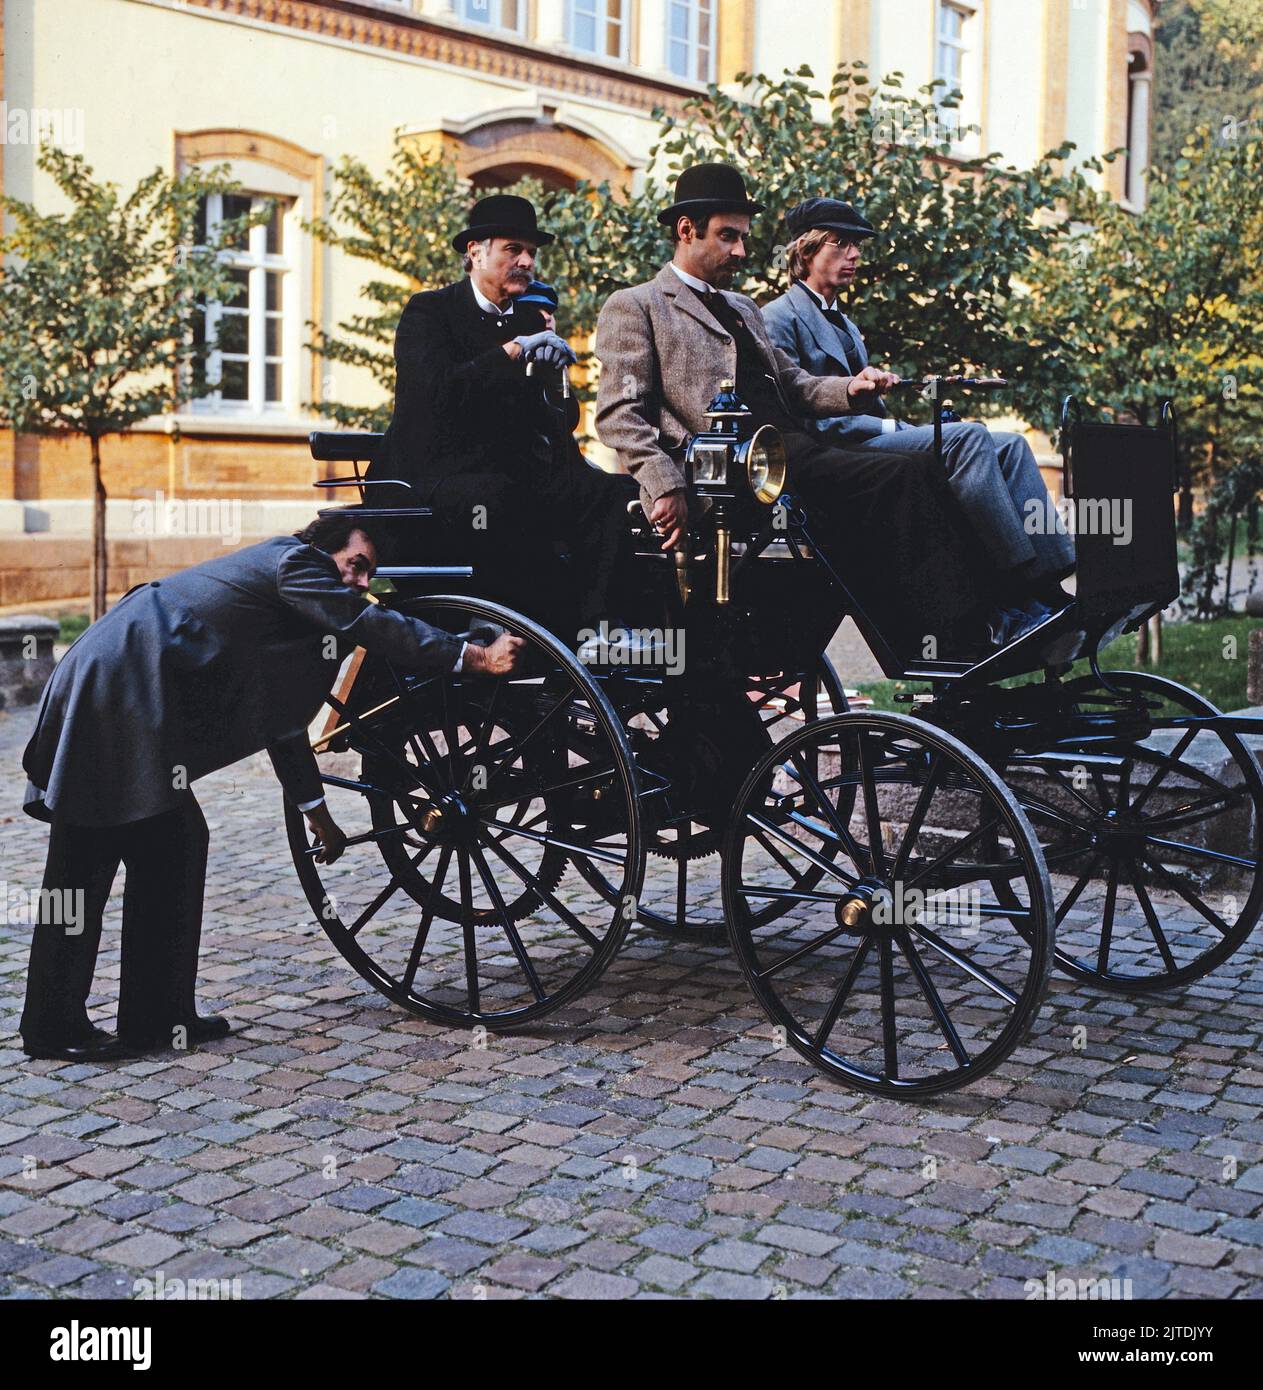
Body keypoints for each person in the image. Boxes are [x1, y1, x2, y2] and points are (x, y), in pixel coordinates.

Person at [18, 513, 523, 1063]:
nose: (361, 582)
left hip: (136, 694)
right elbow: (367, 623)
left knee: (175, 844)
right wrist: (473, 656)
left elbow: (281, 722)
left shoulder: (297, 615)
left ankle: (157, 1015)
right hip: (112, 687)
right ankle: (51, 1024)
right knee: (82, 862)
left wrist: (318, 813)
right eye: (356, 565)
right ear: (322, 549)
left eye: (369, 574)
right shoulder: (296, 563)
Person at [593, 162, 996, 654]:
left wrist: (852, 390)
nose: (741, 251)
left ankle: (979, 616)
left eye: (743, 237)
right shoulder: (637, 305)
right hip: (735, 473)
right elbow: (620, 414)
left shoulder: (741, 308)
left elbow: (797, 384)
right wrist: (664, 485)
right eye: (727, 237)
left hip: (790, 451)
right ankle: (954, 636)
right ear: (685, 230)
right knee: (900, 477)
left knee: (922, 464)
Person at [762, 197, 1075, 636]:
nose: (854, 255)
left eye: (857, 246)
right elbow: (803, 414)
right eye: (842, 244)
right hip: (839, 453)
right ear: (806, 251)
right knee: (968, 438)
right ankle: (1016, 582)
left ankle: (1051, 576)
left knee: (1010, 444)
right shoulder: (777, 318)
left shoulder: (847, 324)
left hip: (871, 439)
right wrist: (895, 427)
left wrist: (896, 422)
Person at [370, 194, 640, 652]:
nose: (527, 262)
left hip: (510, 472)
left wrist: (557, 380)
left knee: (615, 493)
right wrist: (513, 352)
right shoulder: (429, 312)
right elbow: (435, 396)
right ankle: (537, 626)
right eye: (513, 249)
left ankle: (599, 627)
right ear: (475, 252)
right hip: (434, 477)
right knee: (502, 497)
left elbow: (554, 423)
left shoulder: (530, 318)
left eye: (531, 253)